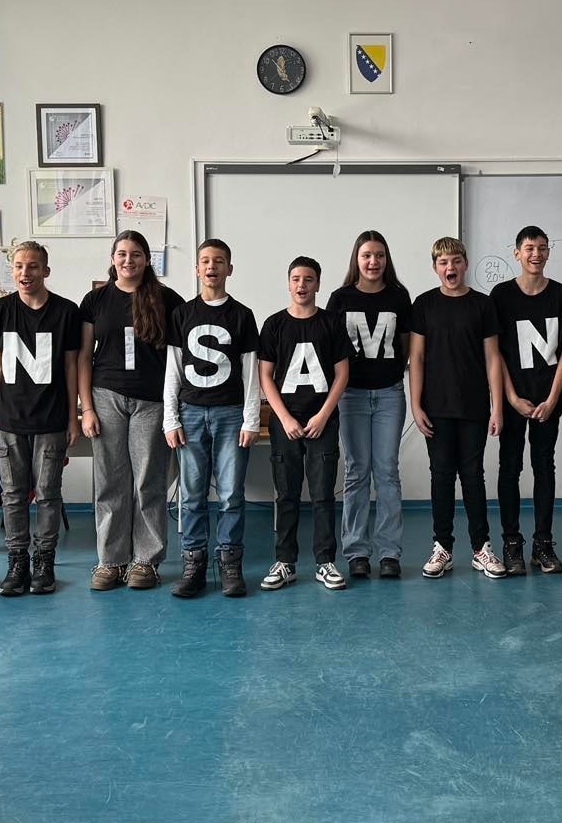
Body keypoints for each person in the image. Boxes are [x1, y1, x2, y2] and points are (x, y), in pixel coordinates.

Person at [79, 231, 183, 591]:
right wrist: (87, 407)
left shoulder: (167, 299)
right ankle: (110, 561)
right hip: (106, 397)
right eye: (122, 254)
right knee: (110, 482)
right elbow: (83, 357)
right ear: (112, 259)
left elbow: (177, 357)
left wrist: (174, 407)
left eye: (136, 254)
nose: (128, 260)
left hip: (151, 402)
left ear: (147, 259)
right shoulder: (95, 300)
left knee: (148, 482)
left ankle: (146, 561)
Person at [164, 239, 260, 599]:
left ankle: (230, 563)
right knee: (192, 495)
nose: (211, 267)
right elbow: (173, 370)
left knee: (232, 494)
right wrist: (170, 418)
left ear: (229, 269)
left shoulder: (242, 315)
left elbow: (250, 372)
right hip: (190, 414)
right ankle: (194, 565)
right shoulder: (181, 314)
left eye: (219, 261)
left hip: (230, 413)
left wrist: (251, 418)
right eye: (205, 261)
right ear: (196, 269)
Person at [0, 241, 82, 597]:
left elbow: (71, 366)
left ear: (46, 271)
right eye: (19, 266)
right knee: (12, 496)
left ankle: (44, 561)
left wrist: (73, 417)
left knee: (48, 494)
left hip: (51, 420)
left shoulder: (66, 311)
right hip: (9, 421)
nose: (25, 273)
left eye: (33, 266)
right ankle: (17, 562)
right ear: (12, 271)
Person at [408, 237, 507, 580]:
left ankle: (481, 548)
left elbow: (493, 358)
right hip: (436, 406)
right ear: (435, 267)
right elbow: (416, 357)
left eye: (455, 261)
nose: (450, 267)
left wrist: (497, 407)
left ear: (465, 263)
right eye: (443, 262)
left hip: (474, 406)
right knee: (441, 475)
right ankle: (442, 548)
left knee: (473, 475)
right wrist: (415, 404)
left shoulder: (482, 304)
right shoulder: (424, 304)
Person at [258, 257, 351, 591]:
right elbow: (265, 375)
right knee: (287, 494)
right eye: (296, 278)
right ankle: (285, 562)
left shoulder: (331, 323)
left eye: (308, 279)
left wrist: (323, 415)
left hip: (321, 421)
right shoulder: (274, 325)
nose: (302, 285)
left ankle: (325, 562)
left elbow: (342, 373)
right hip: (286, 423)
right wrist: (284, 417)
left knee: (323, 494)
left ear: (318, 284)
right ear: (288, 283)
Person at [491, 226, 562, 575]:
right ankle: (511, 542)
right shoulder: (501, 295)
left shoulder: (561, 295)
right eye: (529, 248)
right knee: (510, 467)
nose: (535, 254)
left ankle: (543, 543)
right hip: (515, 398)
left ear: (548, 252)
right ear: (517, 253)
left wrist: (553, 397)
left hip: (547, 399)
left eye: (542, 248)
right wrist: (511, 397)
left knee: (544, 467)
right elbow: (495, 352)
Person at [328, 231, 412, 580]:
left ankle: (390, 552)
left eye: (379, 255)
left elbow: (406, 346)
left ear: (386, 259)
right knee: (356, 471)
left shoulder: (399, 296)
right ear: (357, 259)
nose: (373, 261)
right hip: (351, 396)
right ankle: (357, 552)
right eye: (366, 255)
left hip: (390, 393)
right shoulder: (340, 298)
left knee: (387, 471)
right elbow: (331, 349)